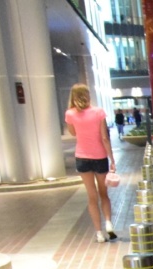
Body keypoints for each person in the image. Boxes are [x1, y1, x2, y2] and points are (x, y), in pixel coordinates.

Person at [64, 83, 118, 243]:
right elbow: (104, 138)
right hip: (100, 157)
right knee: (104, 194)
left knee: (91, 196)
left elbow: (73, 133)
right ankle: (108, 223)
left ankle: (99, 233)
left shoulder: (70, 114)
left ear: (73, 96)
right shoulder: (98, 112)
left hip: (82, 157)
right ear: (87, 95)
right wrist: (112, 159)